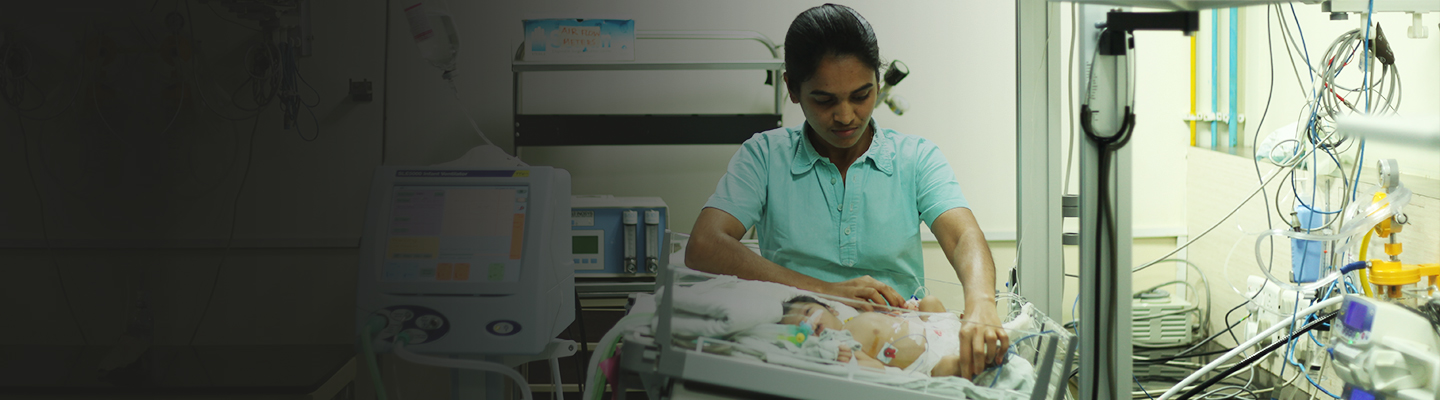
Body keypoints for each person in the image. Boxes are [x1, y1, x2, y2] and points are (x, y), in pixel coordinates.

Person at [684, 3, 1008, 379]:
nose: (845, 116)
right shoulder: (765, 156)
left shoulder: (916, 157)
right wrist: (826, 290)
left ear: (878, 82)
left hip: (901, 350)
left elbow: (963, 235)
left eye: (861, 95)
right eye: (824, 100)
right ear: (792, 88)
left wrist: (982, 303)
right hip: (805, 349)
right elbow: (704, 245)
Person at [779, 296, 969, 377]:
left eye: (808, 311)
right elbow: (876, 368)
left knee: (930, 301)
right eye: (800, 327)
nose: (808, 322)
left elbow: (889, 320)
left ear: (831, 309)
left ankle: (969, 328)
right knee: (951, 365)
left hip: (933, 328)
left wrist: (909, 312)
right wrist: (848, 360)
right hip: (929, 358)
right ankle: (978, 358)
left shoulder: (854, 317)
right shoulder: (841, 344)